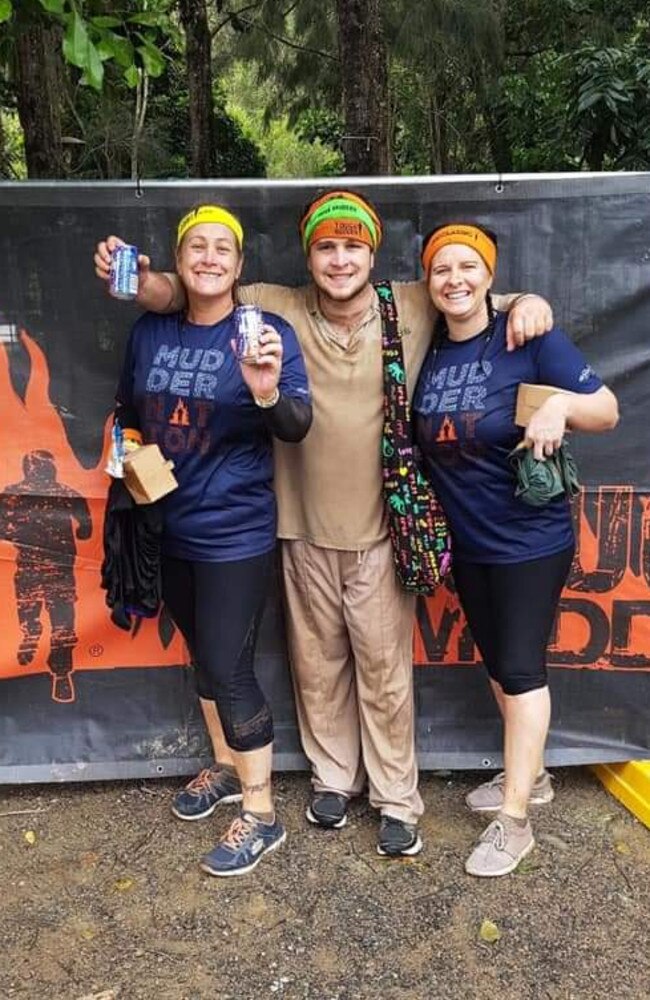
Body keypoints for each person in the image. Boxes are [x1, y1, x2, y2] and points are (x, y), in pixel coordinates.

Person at [94, 191, 553, 858]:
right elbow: (183, 293)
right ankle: (334, 779)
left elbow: (472, 293)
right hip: (295, 523)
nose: (340, 260)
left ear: (373, 253)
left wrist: (529, 303)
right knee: (316, 666)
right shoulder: (273, 306)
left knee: (385, 671)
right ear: (308, 256)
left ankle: (397, 797)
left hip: (377, 527)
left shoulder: (410, 302)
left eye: (353, 246)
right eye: (326, 247)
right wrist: (137, 278)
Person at [413, 223, 619, 876]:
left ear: (489, 275)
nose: (456, 279)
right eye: (442, 269)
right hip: (468, 544)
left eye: (468, 266)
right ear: (428, 282)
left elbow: (606, 408)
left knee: (522, 670)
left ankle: (516, 822)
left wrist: (559, 404)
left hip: (530, 539)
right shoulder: (430, 347)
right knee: (501, 667)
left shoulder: (525, 335)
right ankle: (531, 777)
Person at [112, 203, 311, 877]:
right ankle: (225, 767)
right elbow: (126, 411)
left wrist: (265, 391)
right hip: (166, 525)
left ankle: (261, 812)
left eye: (222, 248)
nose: (209, 257)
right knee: (202, 658)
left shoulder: (265, 333)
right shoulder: (150, 332)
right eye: (196, 245)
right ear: (179, 257)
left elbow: (296, 424)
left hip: (234, 530)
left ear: (239, 264)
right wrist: (123, 446)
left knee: (231, 669)